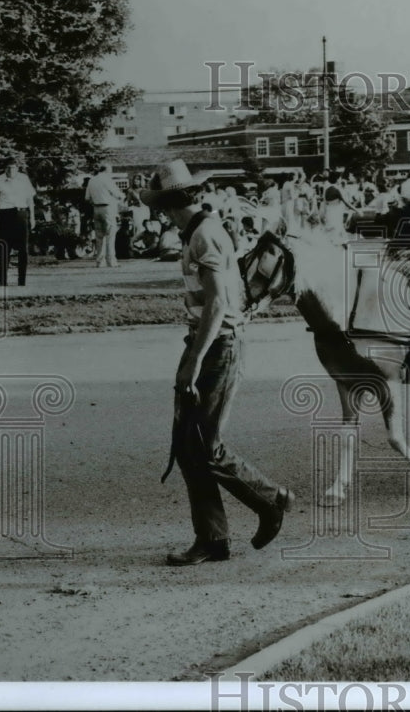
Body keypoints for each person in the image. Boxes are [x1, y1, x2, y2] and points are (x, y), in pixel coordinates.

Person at [139, 160, 294, 566]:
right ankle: (212, 540)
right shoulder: (199, 232)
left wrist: (193, 361)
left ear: (170, 205)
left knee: (205, 446)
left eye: (161, 206)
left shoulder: (204, 236)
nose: (161, 215)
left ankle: (270, 499)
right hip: (207, 343)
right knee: (191, 448)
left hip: (219, 347)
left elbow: (218, 304)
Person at [0, 162, 36, 286]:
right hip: (5, 215)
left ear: (17, 168)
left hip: (21, 214)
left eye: (13, 167)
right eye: (8, 167)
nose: (11, 170)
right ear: (5, 168)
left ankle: (22, 281)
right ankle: (3, 281)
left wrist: (32, 217)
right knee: (4, 249)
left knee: (23, 250)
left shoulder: (24, 179)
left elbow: (30, 199)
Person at [84, 164, 126, 268]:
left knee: (99, 236)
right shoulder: (107, 179)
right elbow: (118, 194)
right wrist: (122, 196)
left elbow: (87, 197)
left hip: (96, 208)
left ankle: (99, 261)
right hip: (108, 208)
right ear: (108, 170)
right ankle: (111, 261)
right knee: (110, 235)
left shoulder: (92, 180)